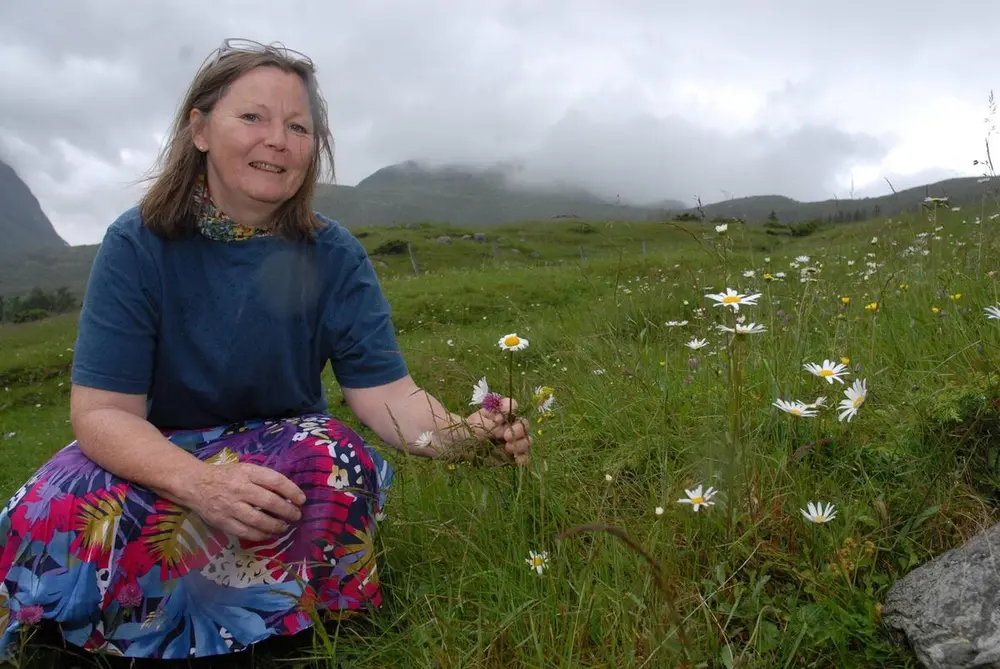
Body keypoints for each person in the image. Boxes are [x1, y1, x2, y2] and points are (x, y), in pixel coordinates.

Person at [0, 38, 532, 662]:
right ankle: (70, 637)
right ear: (199, 128)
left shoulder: (334, 256)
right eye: (253, 117)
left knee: (333, 458)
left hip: (280, 453)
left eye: (298, 126)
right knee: (52, 502)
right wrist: (200, 483)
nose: (278, 140)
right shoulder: (137, 242)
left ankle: (282, 635)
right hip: (159, 454)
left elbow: (390, 396)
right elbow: (102, 413)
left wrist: (464, 436)